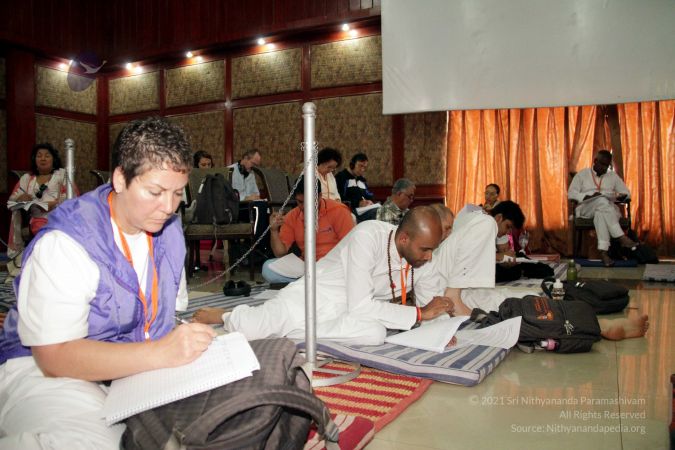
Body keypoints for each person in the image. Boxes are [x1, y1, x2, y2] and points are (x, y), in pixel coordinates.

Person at [0, 117, 217, 448]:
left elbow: (162, 320)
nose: (168, 207)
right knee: (95, 442)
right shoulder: (68, 241)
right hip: (47, 372)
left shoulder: (170, 231)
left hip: (133, 370)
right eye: (155, 192)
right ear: (120, 179)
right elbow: (53, 357)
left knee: (217, 418)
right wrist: (158, 354)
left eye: (177, 193)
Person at [193, 207, 455, 345]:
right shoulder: (369, 236)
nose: (429, 257)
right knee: (251, 330)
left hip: (350, 315)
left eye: (432, 249)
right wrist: (419, 314)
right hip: (313, 299)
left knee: (375, 334)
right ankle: (225, 315)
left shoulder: (424, 259)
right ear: (404, 238)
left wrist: (439, 332)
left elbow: (433, 305)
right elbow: (365, 305)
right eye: (425, 249)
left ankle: (291, 333)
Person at [435, 201, 525, 315]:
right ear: (499, 217)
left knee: (520, 298)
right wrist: (499, 257)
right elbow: (466, 253)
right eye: (508, 227)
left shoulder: (478, 215)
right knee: (508, 305)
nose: (507, 232)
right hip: (451, 284)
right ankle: (454, 297)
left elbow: (502, 250)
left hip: (456, 280)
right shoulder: (487, 222)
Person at [262, 177, 354, 283]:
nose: (305, 206)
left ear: (319, 196)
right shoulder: (292, 216)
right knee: (268, 268)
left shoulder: (339, 211)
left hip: (334, 265)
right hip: (307, 267)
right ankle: (314, 282)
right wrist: (274, 231)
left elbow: (350, 248)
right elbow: (280, 253)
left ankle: (308, 282)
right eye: (300, 202)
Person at [568, 150, 636, 267]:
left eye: (607, 165)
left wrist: (622, 196)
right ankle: (621, 237)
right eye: (602, 164)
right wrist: (587, 196)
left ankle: (603, 253)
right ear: (595, 161)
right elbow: (571, 194)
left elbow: (627, 194)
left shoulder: (612, 176)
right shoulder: (582, 175)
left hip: (607, 209)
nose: (605, 168)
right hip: (586, 207)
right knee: (601, 200)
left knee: (601, 211)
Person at [6, 143, 75, 258]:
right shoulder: (27, 179)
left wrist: (55, 204)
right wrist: (20, 198)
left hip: (59, 217)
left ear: (54, 159)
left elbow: (72, 197)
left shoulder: (62, 175)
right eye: (39, 156)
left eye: (47, 156)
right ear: (34, 160)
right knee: (42, 229)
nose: (43, 158)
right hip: (36, 219)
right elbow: (11, 201)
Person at [189, 150, 214, 272]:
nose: (207, 168)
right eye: (203, 165)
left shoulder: (216, 177)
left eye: (209, 165)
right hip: (195, 213)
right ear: (196, 165)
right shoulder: (189, 178)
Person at [335, 152, 377, 221]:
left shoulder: (362, 180)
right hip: (350, 211)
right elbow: (339, 198)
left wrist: (370, 201)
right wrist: (358, 203)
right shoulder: (341, 177)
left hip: (365, 209)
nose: (362, 170)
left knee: (381, 210)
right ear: (352, 165)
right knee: (377, 213)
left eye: (364, 167)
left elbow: (368, 194)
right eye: (360, 166)